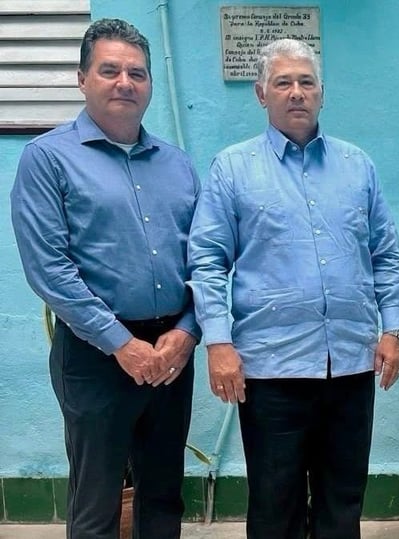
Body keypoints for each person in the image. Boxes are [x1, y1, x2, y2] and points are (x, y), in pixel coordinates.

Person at [187, 38, 399, 539]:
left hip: (350, 364)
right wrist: (218, 343)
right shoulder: (233, 167)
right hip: (271, 370)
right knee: (274, 504)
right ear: (261, 94)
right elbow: (207, 260)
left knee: (343, 502)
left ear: (322, 93)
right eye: (283, 82)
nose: (296, 92)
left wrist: (393, 329)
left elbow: (385, 254)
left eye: (306, 82)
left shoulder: (357, 165)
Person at [9, 18, 199, 539]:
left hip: (171, 351)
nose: (124, 82)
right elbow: (48, 266)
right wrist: (121, 343)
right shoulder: (48, 158)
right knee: (96, 505)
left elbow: (205, 259)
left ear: (149, 84)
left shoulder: (178, 165)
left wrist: (188, 331)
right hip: (95, 353)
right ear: (82, 79)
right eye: (109, 70)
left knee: (163, 497)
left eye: (137, 73)